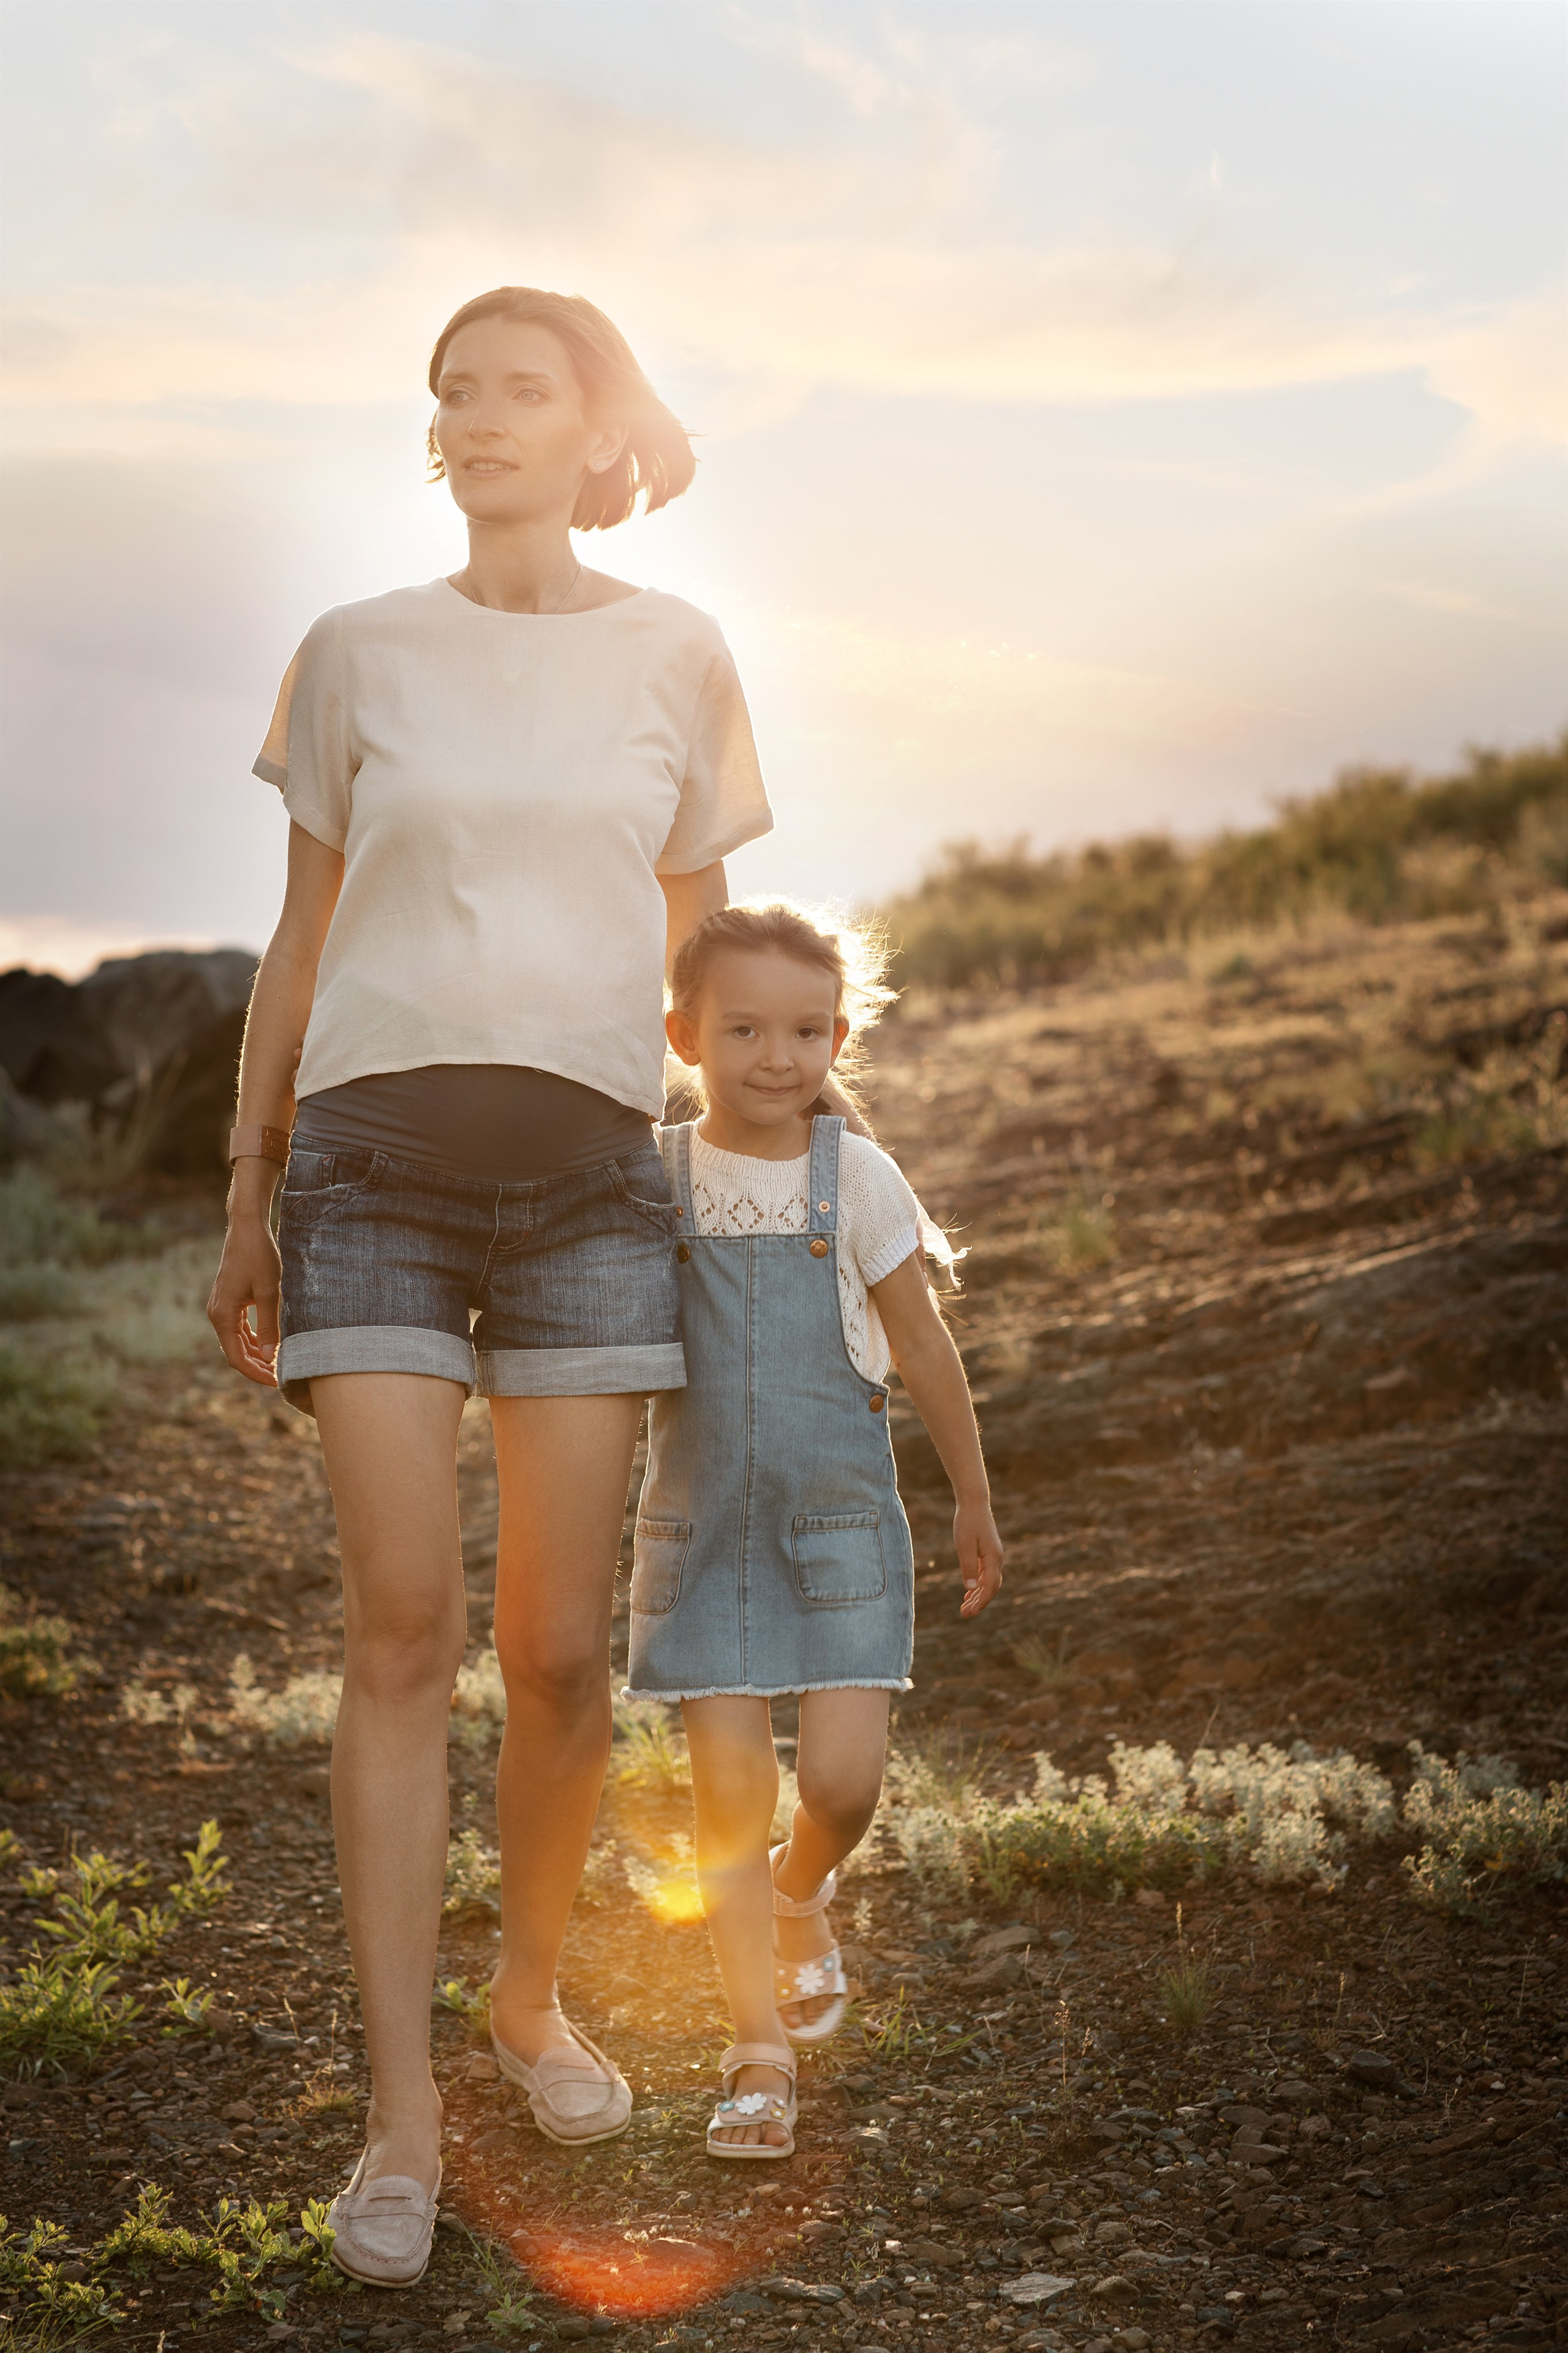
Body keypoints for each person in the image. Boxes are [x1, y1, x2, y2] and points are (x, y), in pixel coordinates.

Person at [206, 287, 777, 2282]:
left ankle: (530, 2000)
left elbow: (714, 984)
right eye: (451, 391)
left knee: (551, 1653)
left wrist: (775, 1188)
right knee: (400, 1624)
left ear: (595, 421)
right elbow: (298, 941)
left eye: (519, 387)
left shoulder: (679, 657)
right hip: (373, 1170)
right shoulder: (354, 652)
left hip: (598, 1188)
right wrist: (243, 1181)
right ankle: (404, 2115)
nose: (476, 416)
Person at [625, 904, 1005, 2158]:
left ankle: (802, 1892)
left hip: (838, 1523)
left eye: (802, 1029)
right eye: (741, 1028)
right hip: (701, 1531)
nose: (775, 1055)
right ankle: (754, 2056)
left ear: (835, 1033)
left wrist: (972, 1495)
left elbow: (922, 1347)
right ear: (685, 1035)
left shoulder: (858, 1179)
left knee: (839, 1783)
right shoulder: (656, 1176)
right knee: (727, 1795)